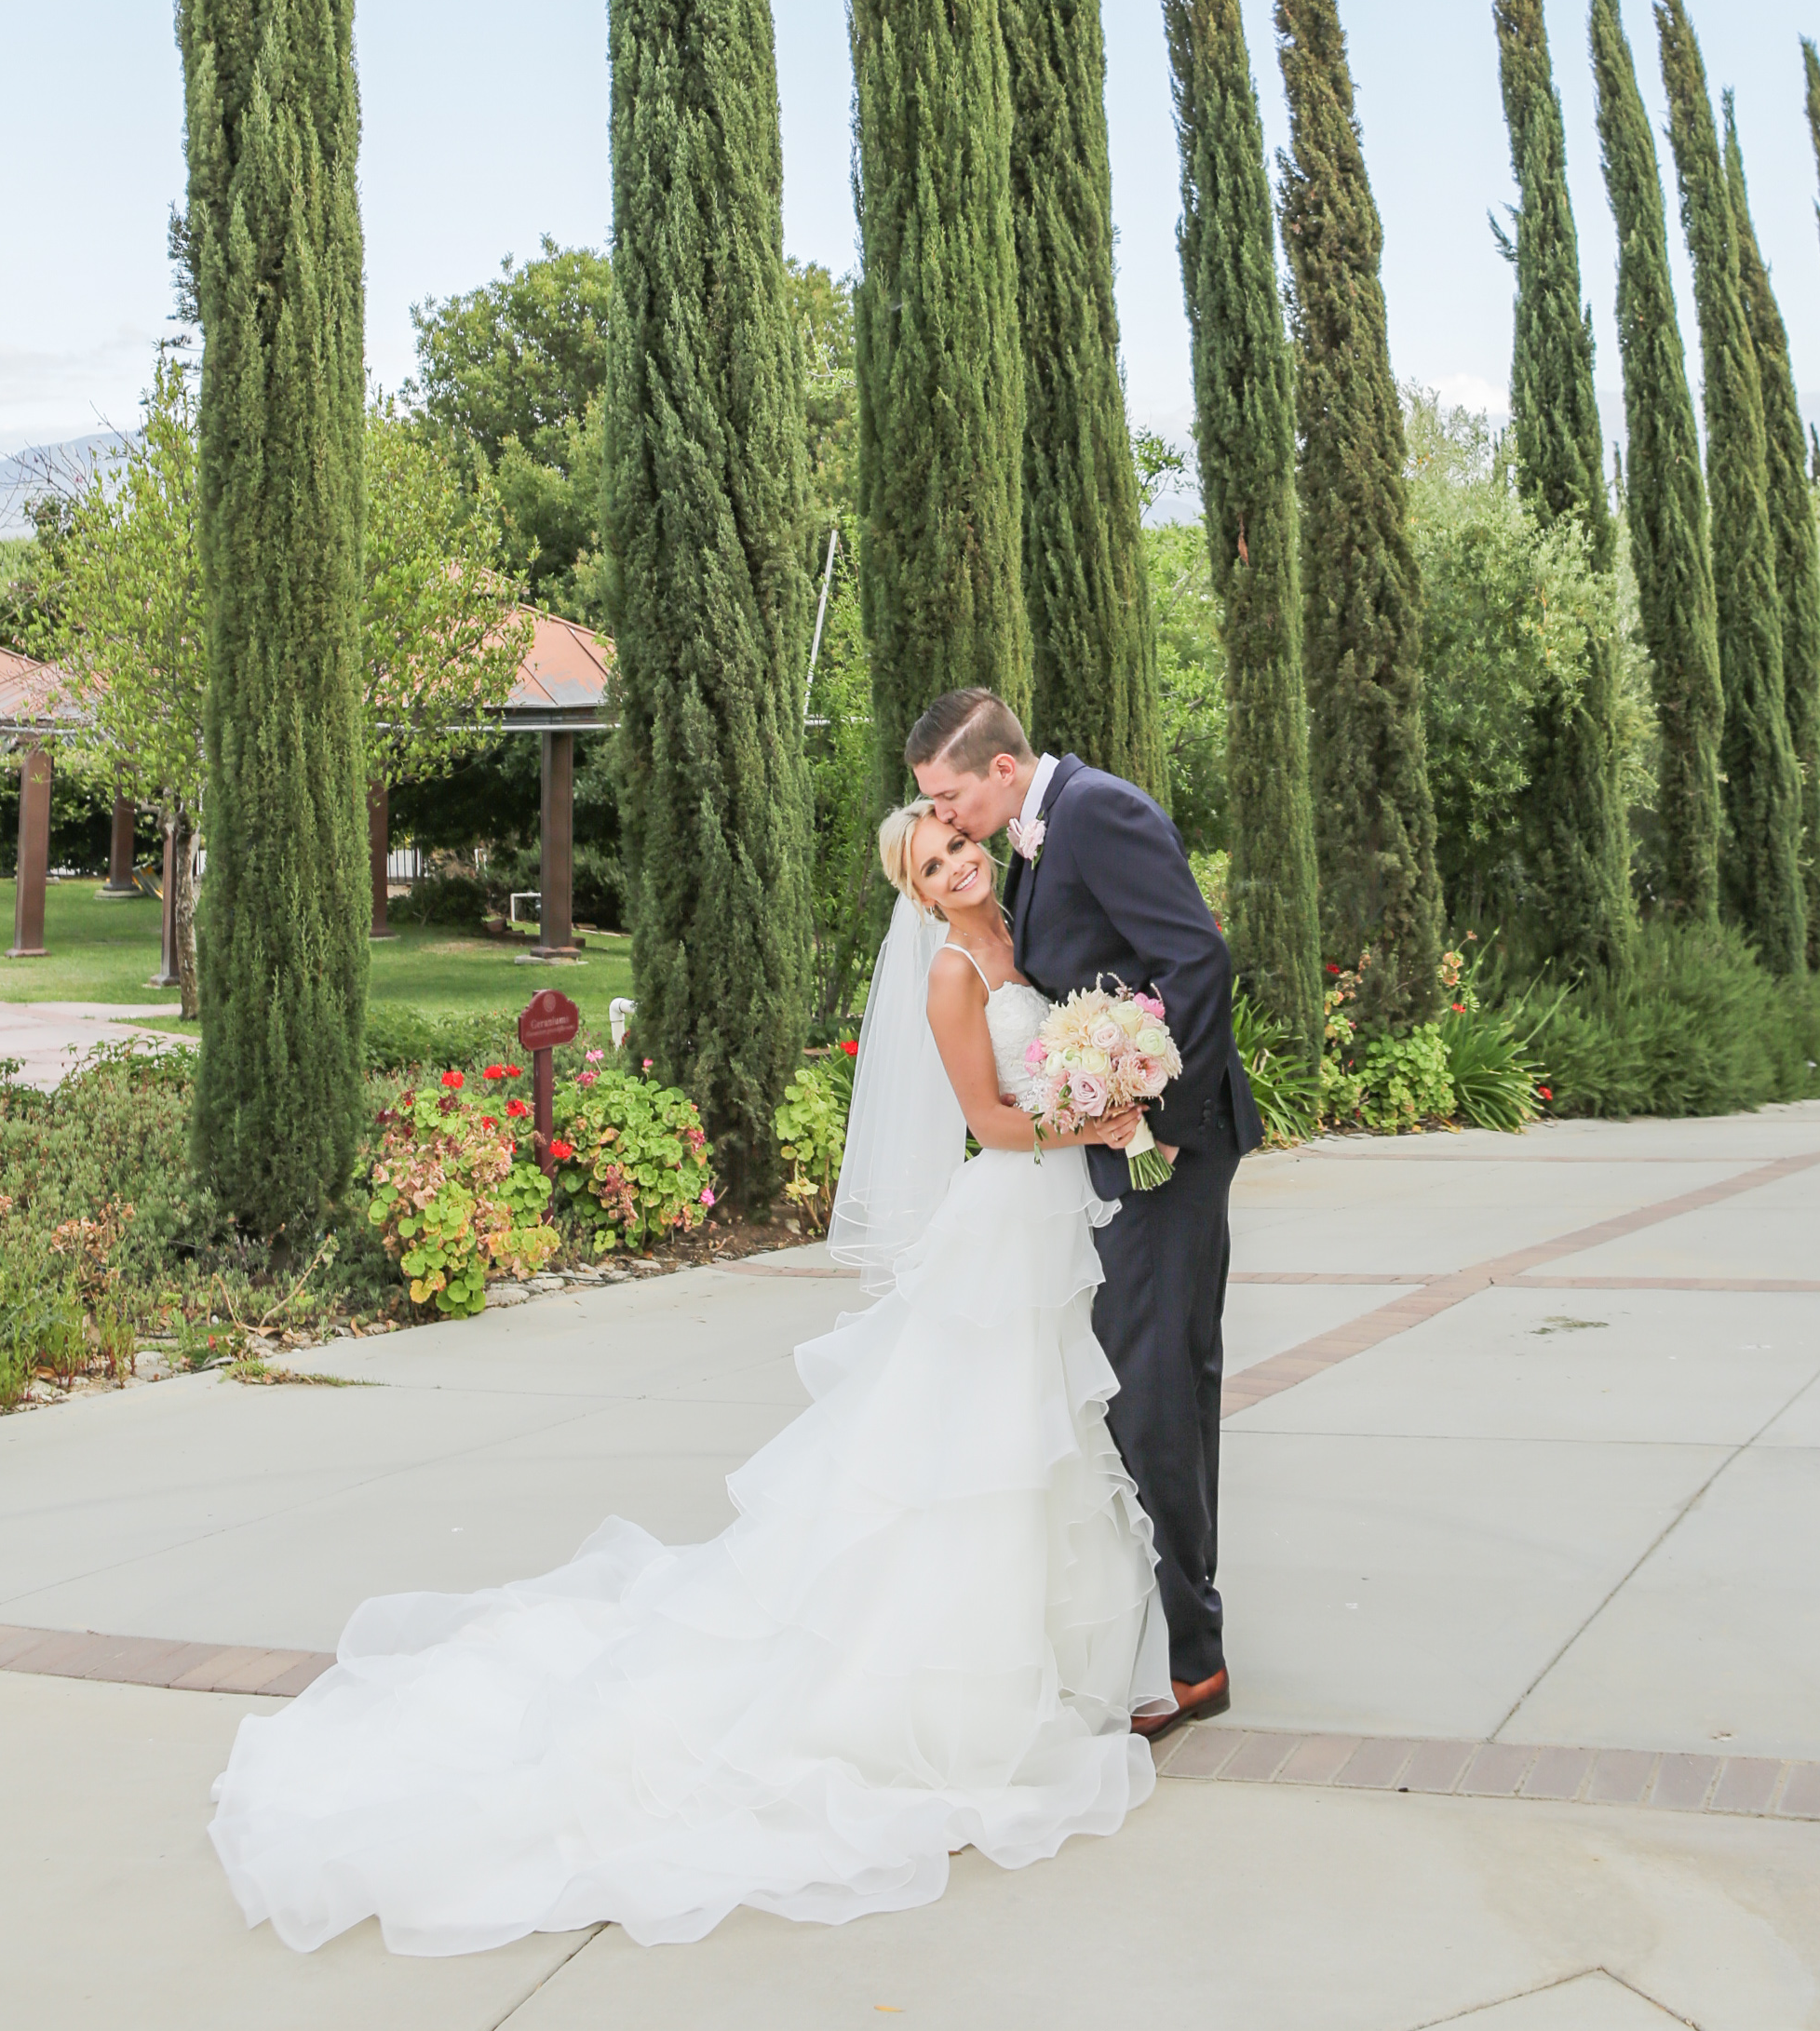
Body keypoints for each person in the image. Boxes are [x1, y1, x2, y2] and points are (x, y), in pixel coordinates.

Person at [207, 802, 1171, 1957]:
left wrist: (1099, 1089)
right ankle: (954, 1686)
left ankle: (1050, 1660)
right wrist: (1093, 1115)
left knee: (1041, 1438)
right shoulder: (956, 976)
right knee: (987, 1444)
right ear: (916, 896)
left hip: (1049, 1222)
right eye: (934, 863)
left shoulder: (1023, 932)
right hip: (1006, 1226)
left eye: (958, 844)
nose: (959, 863)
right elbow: (987, 1122)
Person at [907, 688, 1261, 1736]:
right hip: (1110, 1154)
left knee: (1155, 1393)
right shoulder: (1030, 841)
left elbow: (1194, 960)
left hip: (1164, 1148)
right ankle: (1169, 1637)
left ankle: (1191, 1660)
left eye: (949, 795)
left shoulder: (1095, 811)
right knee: (1150, 1387)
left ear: (1002, 770)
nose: (946, 819)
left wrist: (1138, 1102)